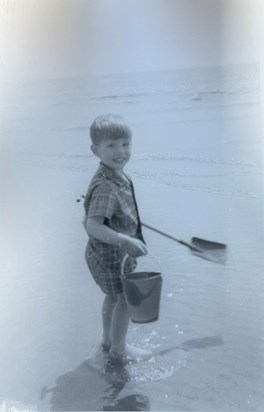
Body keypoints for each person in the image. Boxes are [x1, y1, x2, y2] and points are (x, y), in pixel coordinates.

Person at [83, 114, 150, 361]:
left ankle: (108, 339)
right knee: (125, 300)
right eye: (111, 145)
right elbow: (92, 225)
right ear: (95, 150)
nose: (120, 151)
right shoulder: (106, 186)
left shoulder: (116, 175)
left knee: (113, 296)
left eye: (125, 144)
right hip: (112, 255)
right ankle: (119, 349)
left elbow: (93, 217)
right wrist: (125, 240)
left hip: (104, 254)